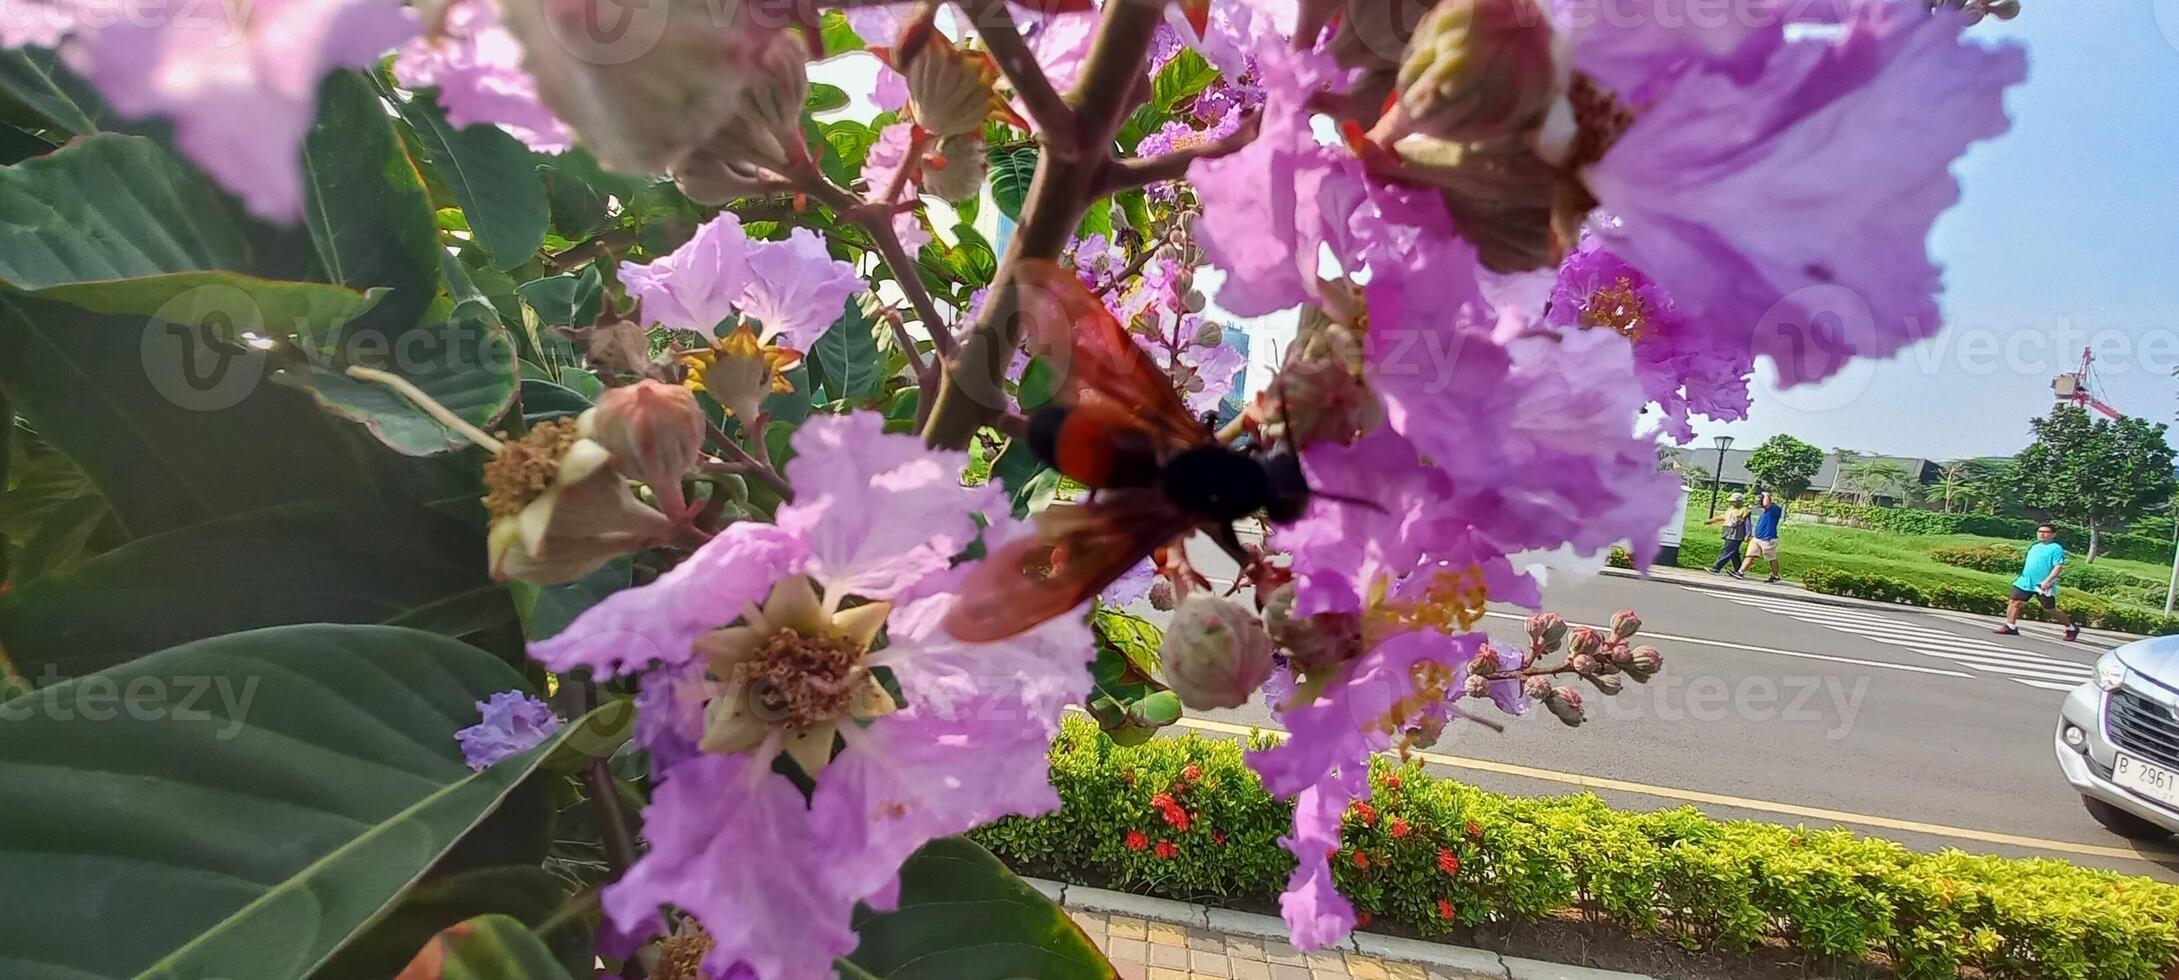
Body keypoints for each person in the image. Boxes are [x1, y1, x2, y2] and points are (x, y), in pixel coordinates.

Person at [1995, 523, 2080, 641]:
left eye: (2046, 532)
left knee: (2049, 609)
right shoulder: (2034, 547)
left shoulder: (2055, 548)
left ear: (2053, 535)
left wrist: (2048, 580)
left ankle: (2071, 628)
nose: (2042, 534)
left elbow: (2058, 567)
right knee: (2014, 601)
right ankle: (2010, 626)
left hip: (2043, 584)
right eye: (2040, 531)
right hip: (2025, 581)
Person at [1739, 490, 1785, 583]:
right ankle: (1740, 572)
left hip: (1768, 539)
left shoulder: (1774, 509)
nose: (1759, 503)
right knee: (1750, 555)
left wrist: (1766, 494)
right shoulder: (1765, 511)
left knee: (1771, 558)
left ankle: (1775, 576)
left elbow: (1767, 503)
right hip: (1757, 538)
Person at [1704, 492, 1751, 575]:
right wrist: (1712, 521)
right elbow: (1723, 517)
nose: (1732, 503)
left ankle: (1716, 567)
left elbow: (1748, 524)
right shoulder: (1730, 509)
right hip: (1728, 532)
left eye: (1734, 501)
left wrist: (1748, 534)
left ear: (1740, 501)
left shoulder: (1744, 510)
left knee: (1727, 551)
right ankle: (1739, 570)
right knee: (1734, 553)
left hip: (1736, 534)